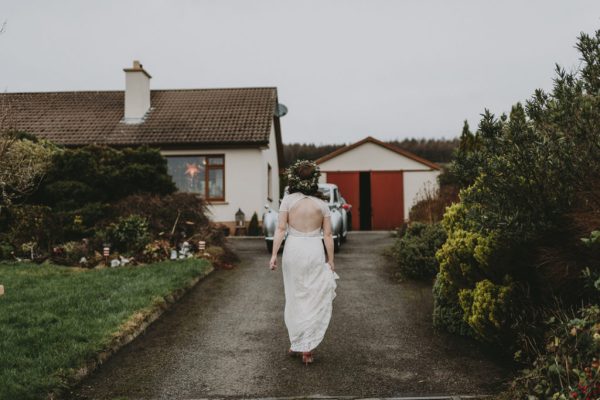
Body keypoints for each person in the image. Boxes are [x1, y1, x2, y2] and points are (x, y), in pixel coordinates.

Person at [269, 159, 340, 366]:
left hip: (294, 250)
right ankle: (305, 347)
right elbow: (328, 235)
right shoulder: (322, 205)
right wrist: (331, 260)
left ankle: (298, 342)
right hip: (314, 250)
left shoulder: (288, 201)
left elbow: (280, 230)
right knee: (311, 296)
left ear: (294, 179)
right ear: (314, 180)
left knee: (295, 296)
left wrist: (274, 255)